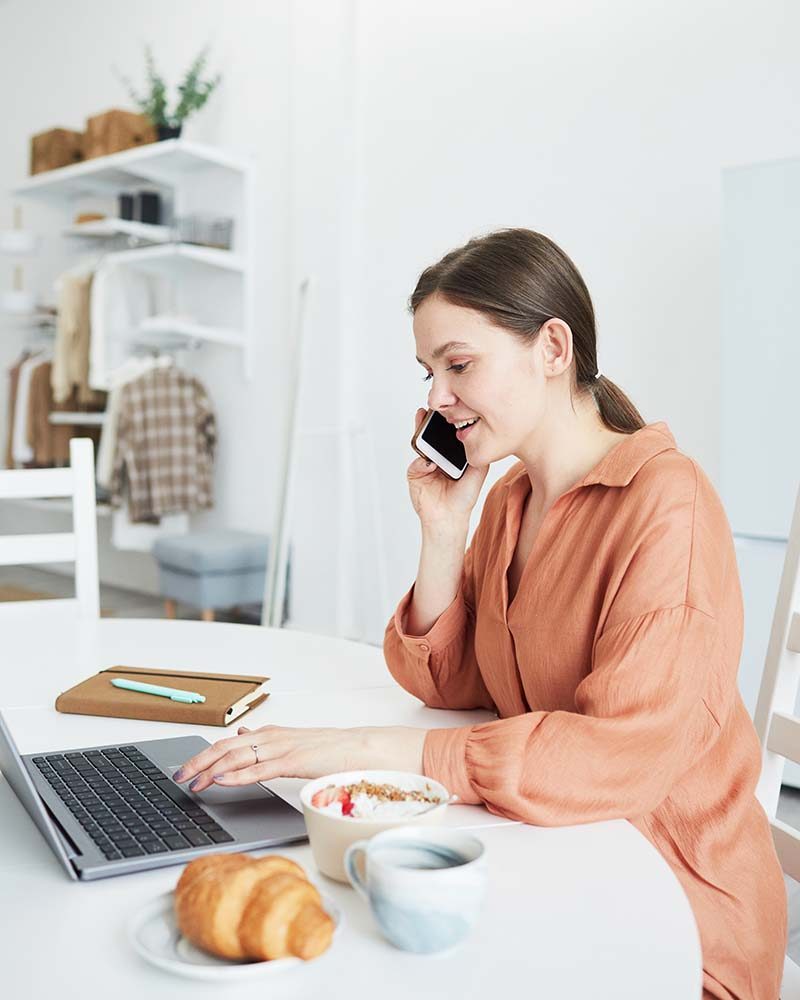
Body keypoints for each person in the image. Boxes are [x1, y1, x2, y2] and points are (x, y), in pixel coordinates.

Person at [174, 228, 786, 999]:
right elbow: (453, 681)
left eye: (459, 365)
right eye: (430, 372)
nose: (436, 397)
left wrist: (359, 748)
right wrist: (443, 530)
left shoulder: (669, 507)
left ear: (553, 348)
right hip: (555, 861)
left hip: (677, 923)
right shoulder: (510, 498)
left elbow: (615, 758)